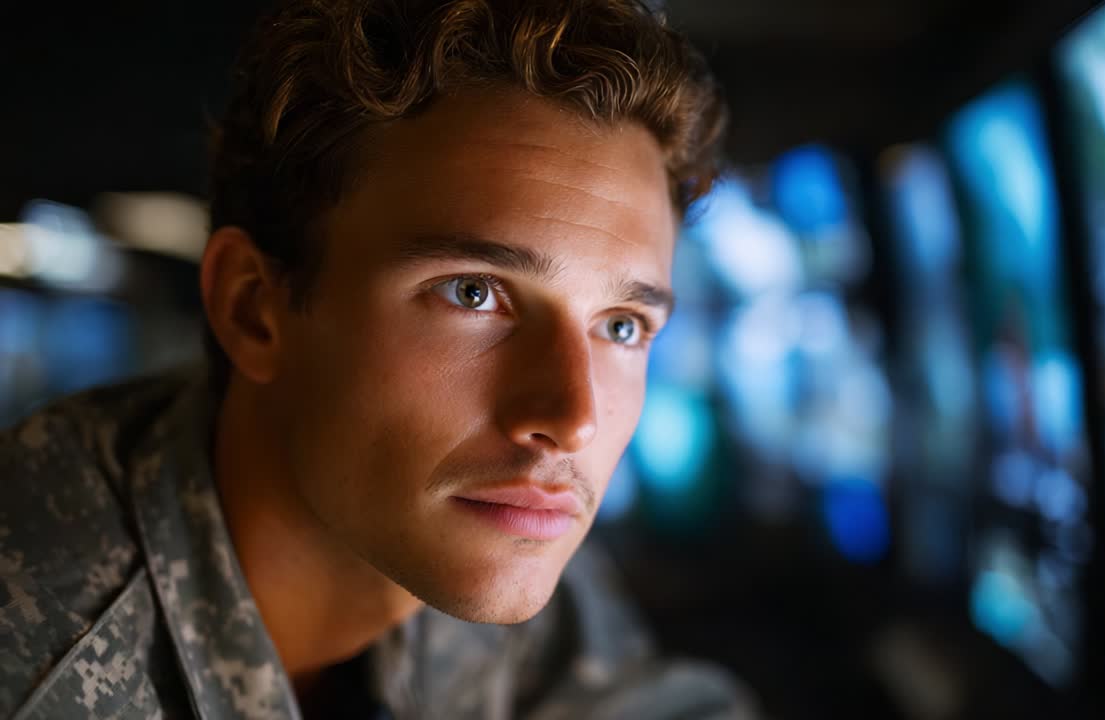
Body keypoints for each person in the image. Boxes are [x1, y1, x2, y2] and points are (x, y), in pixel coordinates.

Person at [0, 0, 754, 717]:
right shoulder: (34, 655)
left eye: (622, 326)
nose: (571, 419)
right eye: (472, 293)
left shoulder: (486, 510)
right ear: (252, 310)